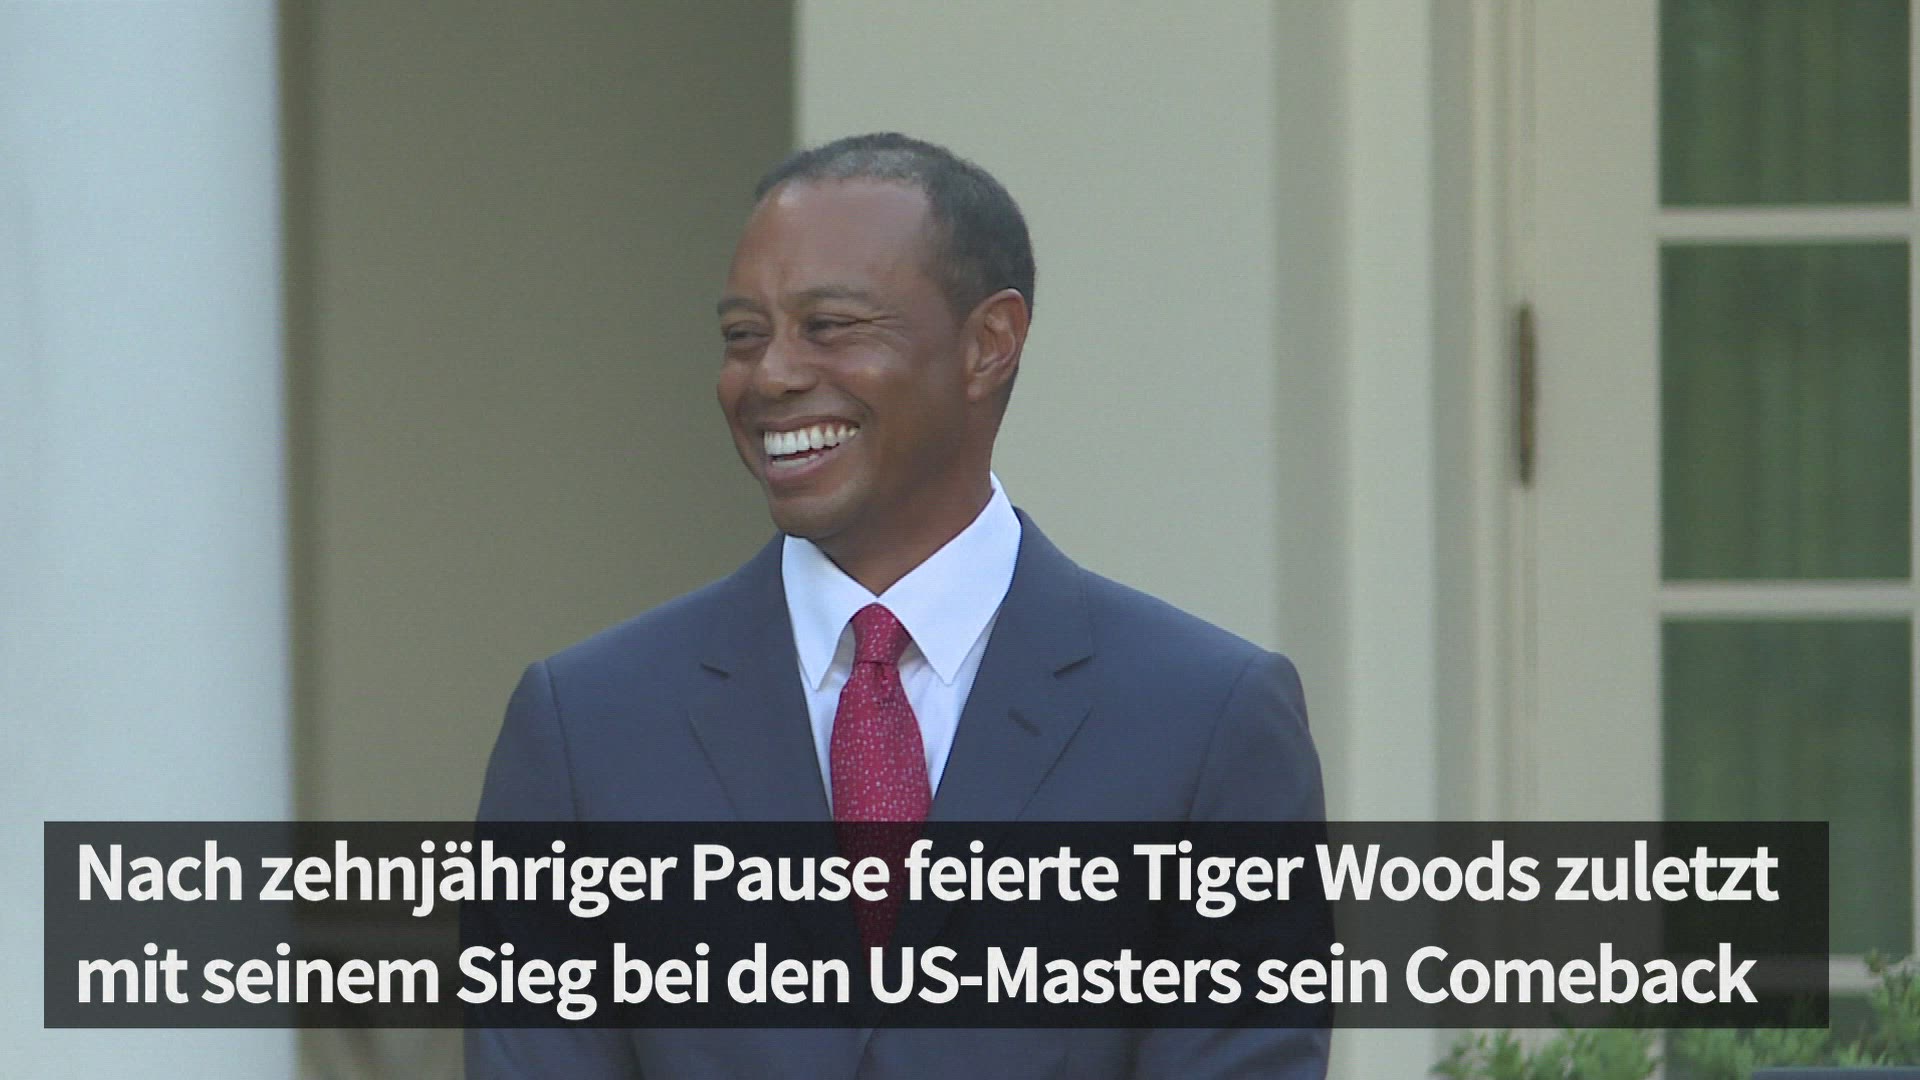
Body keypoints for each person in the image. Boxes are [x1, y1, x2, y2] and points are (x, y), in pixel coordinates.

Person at [467, 132, 1328, 1079]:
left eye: (830, 325)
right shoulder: (588, 727)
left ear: (988, 344)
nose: (771, 375)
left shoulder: (1205, 722)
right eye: (743, 335)